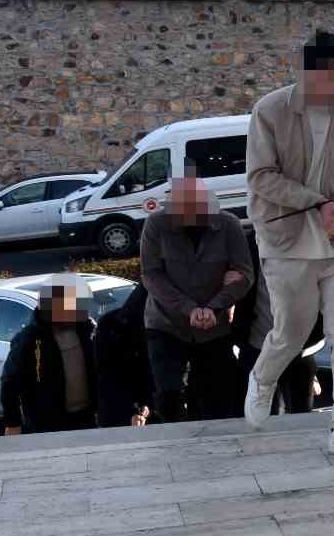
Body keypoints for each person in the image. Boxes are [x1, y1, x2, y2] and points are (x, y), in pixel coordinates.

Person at [243, 30, 334, 461]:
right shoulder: (270, 110)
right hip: (285, 237)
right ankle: (262, 379)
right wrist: (316, 202)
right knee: (292, 332)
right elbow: (261, 177)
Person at [140, 175, 254, 424]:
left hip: (214, 325)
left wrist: (215, 306)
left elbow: (244, 275)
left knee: (217, 395)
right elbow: (151, 275)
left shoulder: (229, 225)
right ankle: (176, 440)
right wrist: (189, 308)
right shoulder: (156, 225)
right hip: (166, 323)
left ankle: (215, 443)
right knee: (168, 392)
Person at [232, 228, 321, 416]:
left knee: (301, 413)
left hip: (299, 348)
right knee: (260, 414)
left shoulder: (308, 241)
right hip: (257, 345)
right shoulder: (248, 245)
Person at [0, 275, 98, 435]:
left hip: (86, 419)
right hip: (46, 425)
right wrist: (12, 423)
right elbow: (9, 383)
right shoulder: (29, 339)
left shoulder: (87, 330)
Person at [95, 282, 152, 428]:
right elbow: (108, 379)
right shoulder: (111, 328)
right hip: (121, 415)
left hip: (148, 411)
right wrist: (133, 412)